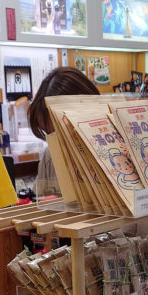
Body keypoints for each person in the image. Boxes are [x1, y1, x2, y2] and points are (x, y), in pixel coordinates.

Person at [28, 66, 99, 198]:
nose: (57, 143)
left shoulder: (121, 151)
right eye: (49, 134)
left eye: (61, 133)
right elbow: (38, 202)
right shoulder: (51, 156)